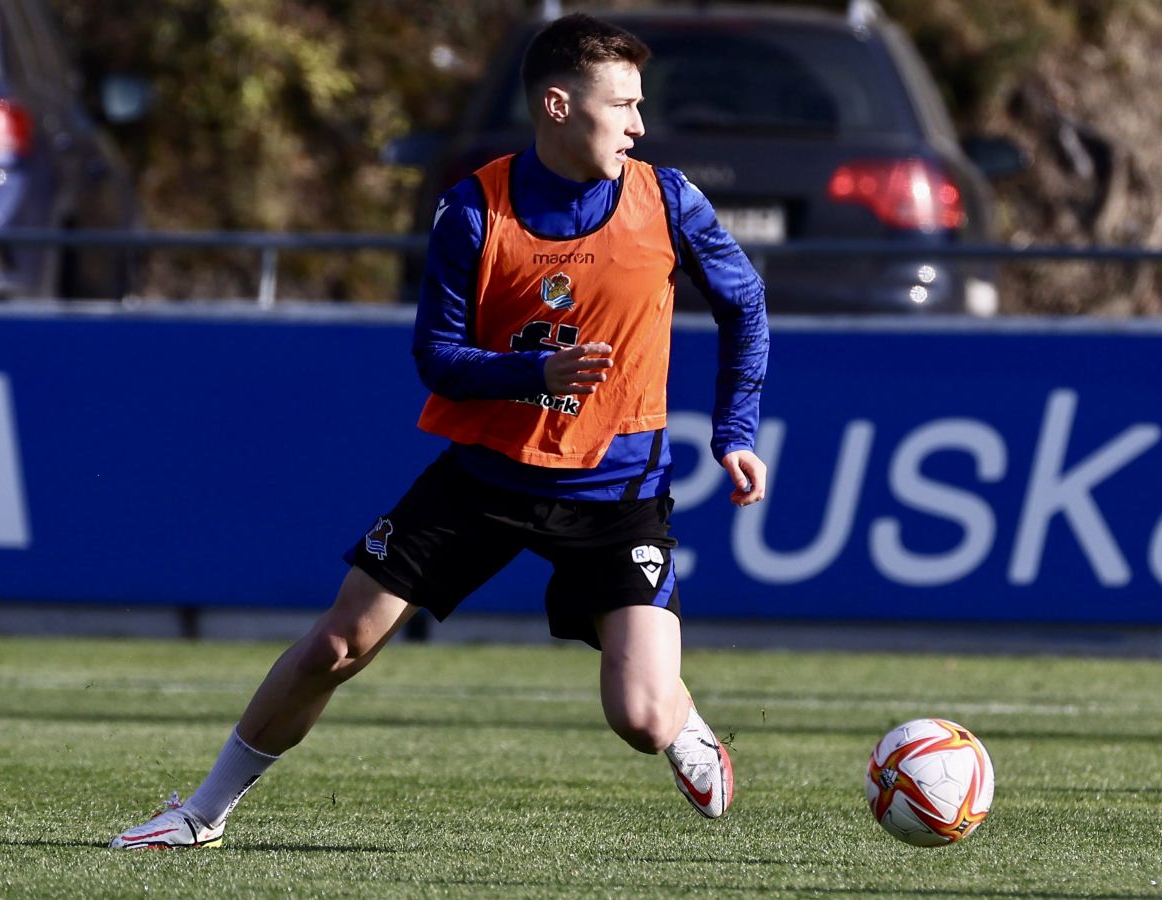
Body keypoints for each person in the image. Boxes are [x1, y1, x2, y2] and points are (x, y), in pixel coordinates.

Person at [110, 13, 769, 849]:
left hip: (618, 494)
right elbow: (438, 357)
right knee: (338, 644)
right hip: (487, 476)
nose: (640, 125)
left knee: (640, 717)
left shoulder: (666, 199)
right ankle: (201, 813)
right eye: (625, 104)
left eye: (642, 106)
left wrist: (734, 431)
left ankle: (682, 723)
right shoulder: (474, 209)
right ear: (559, 107)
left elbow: (745, 305)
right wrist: (532, 374)